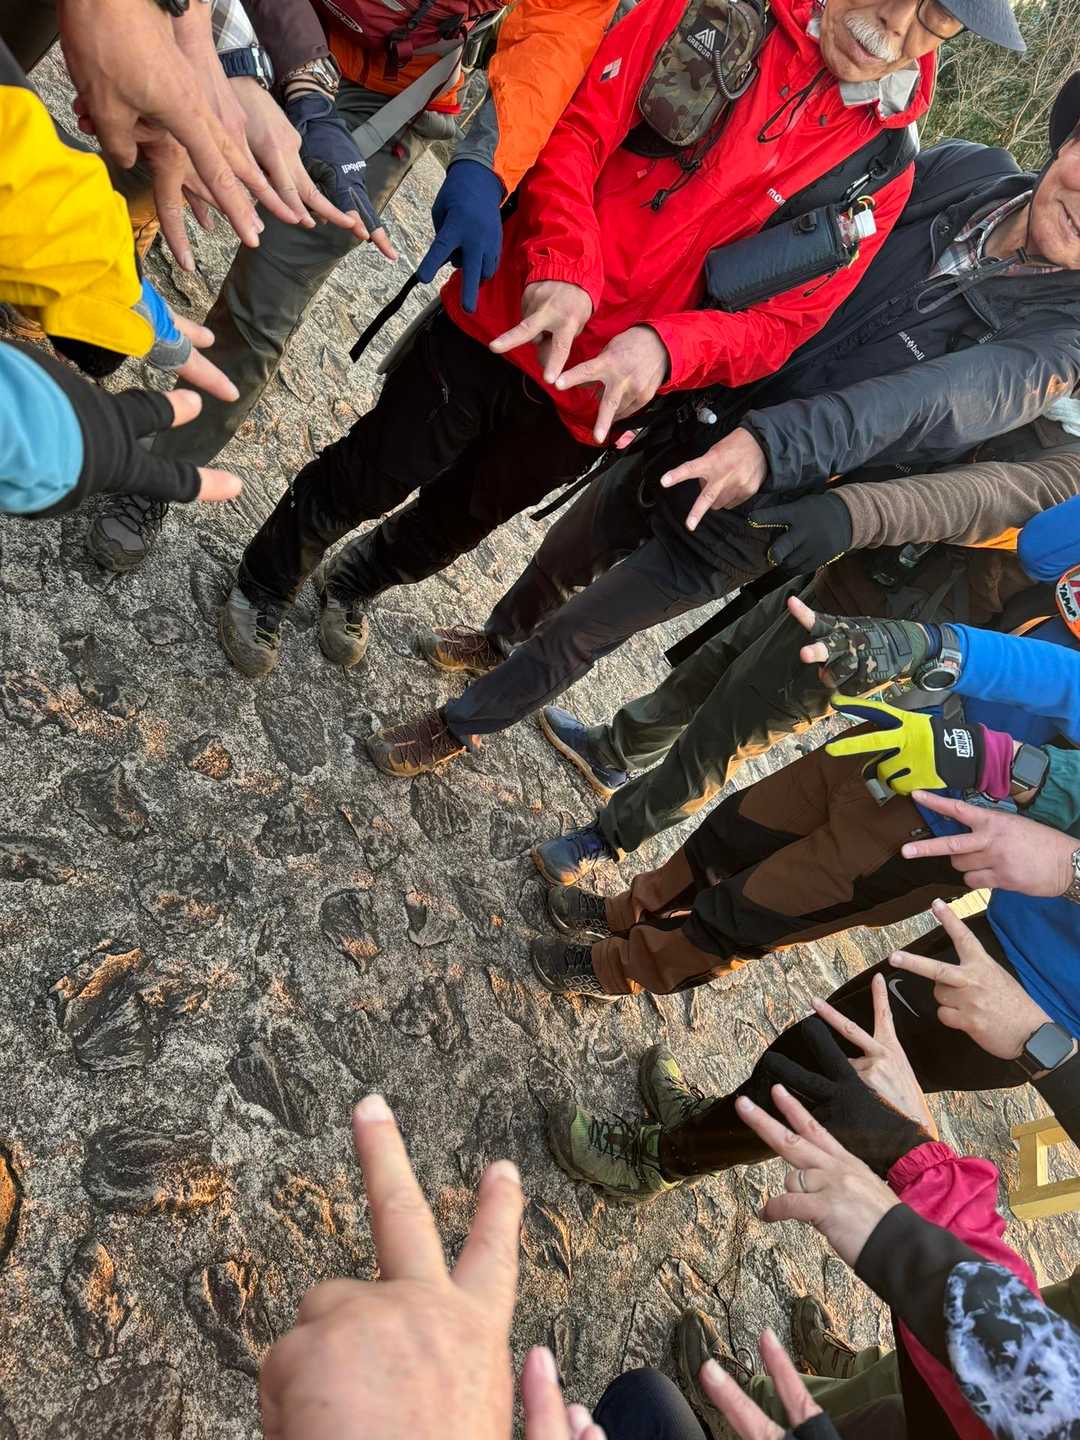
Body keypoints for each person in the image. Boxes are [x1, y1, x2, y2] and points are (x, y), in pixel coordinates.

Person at [215, 0, 975, 681]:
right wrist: (563, 264)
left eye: (935, 18)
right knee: (379, 463)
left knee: (461, 519)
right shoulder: (709, 11)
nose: (896, 24)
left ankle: (357, 581)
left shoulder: (884, 168)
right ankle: (267, 577)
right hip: (512, 307)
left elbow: (787, 322)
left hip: (610, 393)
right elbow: (577, 126)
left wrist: (667, 350)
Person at [363, 71, 1080, 781]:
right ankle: (498, 638)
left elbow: (932, 401)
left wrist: (776, 447)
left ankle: (461, 725)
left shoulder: (1062, 342)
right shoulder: (967, 172)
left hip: (779, 493)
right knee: (569, 548)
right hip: (711, 404)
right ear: (1069, 141)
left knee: (590, 625)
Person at [86, 0, 622, 574]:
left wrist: (486, 165)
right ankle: (86, 283)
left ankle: (160, 474)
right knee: (140, 156)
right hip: (265, 17)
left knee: (264, 302)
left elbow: (555, 34)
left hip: (392, 92)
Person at [527, 492, 1080, 1001]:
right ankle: (628, 912)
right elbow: (1040, 549)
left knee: (762, 906)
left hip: (962, 822)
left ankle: (618, 968)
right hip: (916, 734)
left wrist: (1003, 762)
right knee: (736, 830)